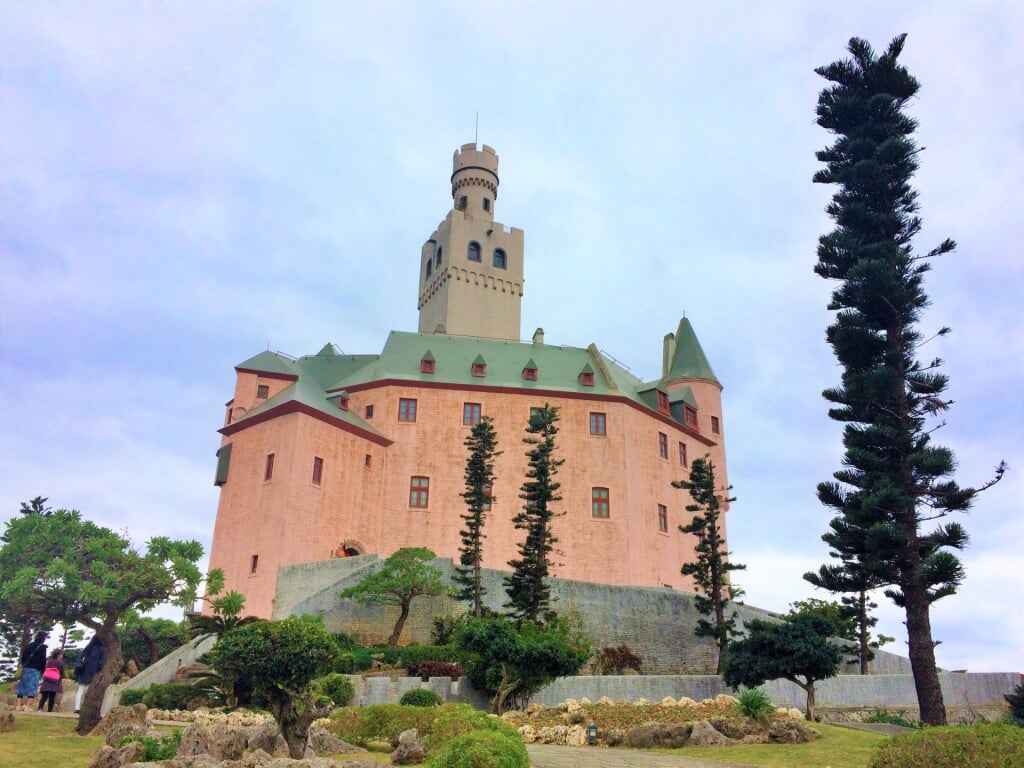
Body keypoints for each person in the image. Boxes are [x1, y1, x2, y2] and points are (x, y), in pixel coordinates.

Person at [15, 630, 49, 711]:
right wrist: (43, 670)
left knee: (22, 686)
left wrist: (23, 664)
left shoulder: (29, 645)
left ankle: (18, 706)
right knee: (32, 688)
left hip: (26, 668)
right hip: (35, 670)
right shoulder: (42, 647)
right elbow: (43, 660)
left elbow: (23, 657)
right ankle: (27, 706)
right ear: (43, 638)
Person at [73, 634, 106, 714]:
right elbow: (101, 663)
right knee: (90, 691)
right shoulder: (102, 649)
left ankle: (77, 708)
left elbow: (80, 657)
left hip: (84, 671)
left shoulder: (88, 647)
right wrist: (99, 670)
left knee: (80, 690)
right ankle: (86, 708)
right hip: (94, 672)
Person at [38, 647, 64, 713]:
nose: (62, 656)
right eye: (61, 654)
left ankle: (40, 708)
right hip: (55, 680)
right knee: (52, 696)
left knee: (44, 696)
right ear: (58, 655)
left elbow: (44, 669)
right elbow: (61, 672)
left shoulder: (48, 661)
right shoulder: (60, 662)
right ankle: (49, 710)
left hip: (47, 679)